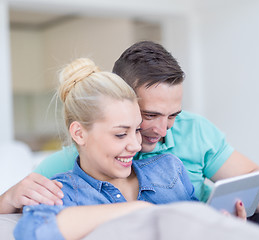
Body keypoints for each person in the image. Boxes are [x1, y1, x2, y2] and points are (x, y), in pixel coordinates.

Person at [2, 41, 259, 234]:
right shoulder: (64, 174)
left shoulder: (171, 162)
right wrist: (11, 196)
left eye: (173, 117)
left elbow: (249, 195)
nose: (162, 130)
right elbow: (33, 223)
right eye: (149, 117)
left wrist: (225, 216)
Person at [14, 58, 220, 239]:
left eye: (137, 130)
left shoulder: (169, 170)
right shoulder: (60, 192)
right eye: (120, 134)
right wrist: (136, 210)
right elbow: (32, 232)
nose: (135, 144)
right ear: (79, 133)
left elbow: (198, 223)